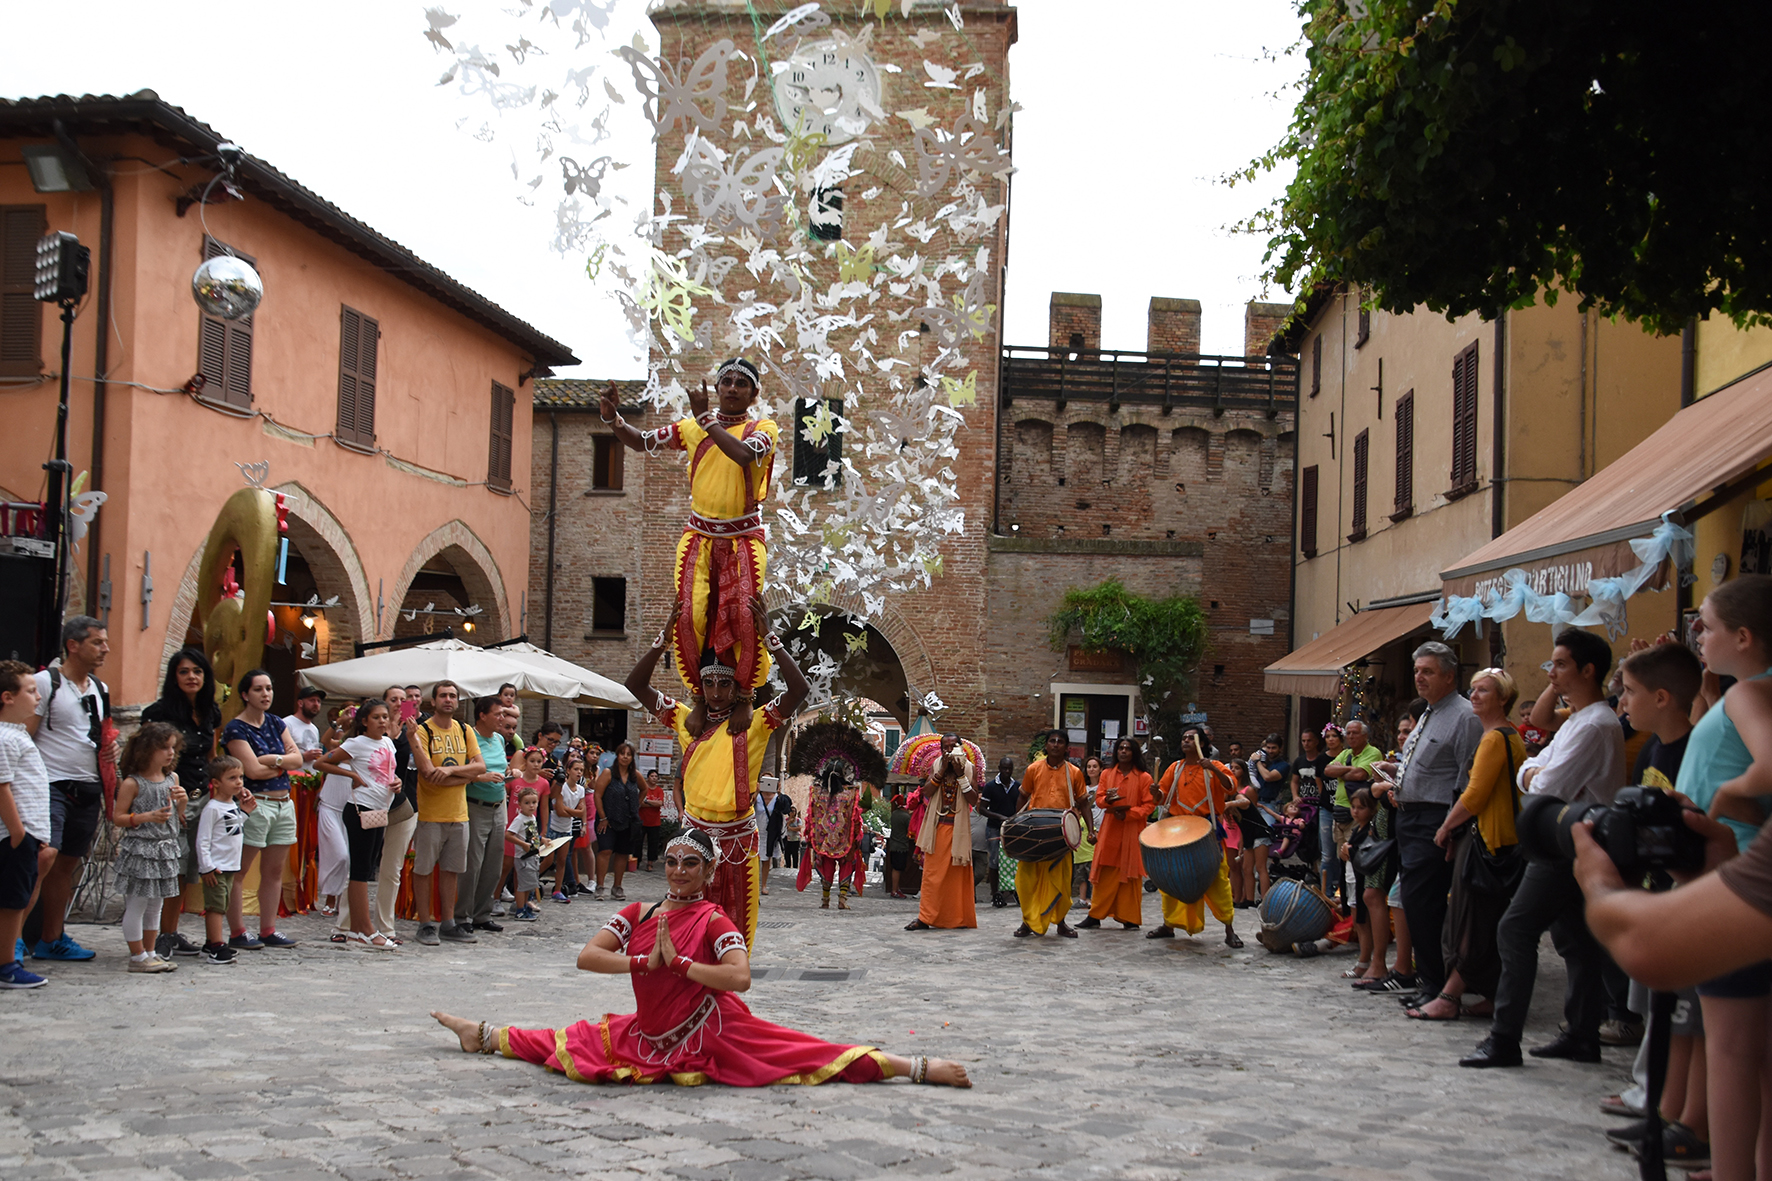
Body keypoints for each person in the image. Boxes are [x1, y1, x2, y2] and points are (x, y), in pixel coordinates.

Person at [431, 826, 971, 1087]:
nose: (680, 870)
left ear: (710, 872)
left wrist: (684, 966)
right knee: (559, 1041)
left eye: (692, 863)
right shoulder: (641, 914)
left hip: (713, 1030)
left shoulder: (713, 919)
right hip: (648, 1032)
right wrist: (647, 964)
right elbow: (587, 958)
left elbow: (739, 980)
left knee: (806, 1053)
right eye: (672, 861)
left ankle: (917, 1066)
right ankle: (480, 1034)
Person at [1461, 628, 1625, 1069]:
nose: (1551, 672)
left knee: (1515, 930)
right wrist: (1534, 771)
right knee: (1576, 940)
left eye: (1560, 664)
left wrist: (1533, 773)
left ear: (1587, 671)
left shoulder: (1595, 724)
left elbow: (1547, 783)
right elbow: (1538, 755)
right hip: (1565, 839)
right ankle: (1582, 1032)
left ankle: (1504, 1038)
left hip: (1568, 841)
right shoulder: (1580, 719)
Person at [600, 364, 779, 733]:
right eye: (726, 382)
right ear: (716, 388)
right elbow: (642, 441)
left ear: (754, 394)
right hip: (698, 536)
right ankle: (699, 697)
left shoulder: (762, 429)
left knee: (745, 617)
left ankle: (745, 697)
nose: (732, 388)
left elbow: (744, 455)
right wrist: (614, 420)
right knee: (690, 617)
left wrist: (706, 420)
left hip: (743, 538)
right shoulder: (694, 427)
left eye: (741, 384)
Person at [624, 603, 809, 952]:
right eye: (708, 683)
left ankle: (725, 992)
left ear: (737, 687)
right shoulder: (685, 720)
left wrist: (770, 638)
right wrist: (663, 640)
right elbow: (635, 684)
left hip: (738, 841)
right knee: (687, 923)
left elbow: (798, 692)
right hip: (695, 837)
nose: (716, 691)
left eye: (724, 683)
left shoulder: (753, 723)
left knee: (735, 929)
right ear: (700, 685)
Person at [1598, 640, 1706, 1166]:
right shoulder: (1654, 747)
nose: (1622, 701)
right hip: (1657, 889)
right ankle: (1663, 1105)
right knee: (1665, 1011)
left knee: (1684, 1017)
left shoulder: (1690, 748)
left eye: (1630, 692)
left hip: (1686, 893)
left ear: (1662, 697)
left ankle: (1678, 1118)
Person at [1405, 668, 1524, 1017]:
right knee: (1484, 919)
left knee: (1470, 921)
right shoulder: (1502, 735)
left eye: (1483, 691)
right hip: (1495, 837)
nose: (1474, 696)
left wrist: (1445, 828)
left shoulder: (1494, 738)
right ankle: (1489, 992)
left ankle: (1450, 996)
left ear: (1503, 698)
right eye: (1472, 690)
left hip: (1490, 838)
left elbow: (1474, 795)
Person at [1381, 642, 1483, 1011]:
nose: (1419, 677)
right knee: (1415, 901)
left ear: (1449, 676)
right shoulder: (1428, 712)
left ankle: (1438, 983)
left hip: (1435, 819)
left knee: (1424, 903)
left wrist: (1453, 828)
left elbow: (1466, 777)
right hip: (1410, 815)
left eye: (1428, 671)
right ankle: (1429, 978)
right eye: (1417, 671)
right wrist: (1398, 779)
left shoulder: (1464, 716)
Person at [24, 616, 113, 963]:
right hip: (50, 784)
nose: (105, 648)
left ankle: (51, 938)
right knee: (41, 859)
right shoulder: (45, 683)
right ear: (73, 645)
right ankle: (13, 941)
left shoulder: (99, 689)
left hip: (87, 786)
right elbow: (25, 734)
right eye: (97, 642)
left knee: (66, 866)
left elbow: (99, 735)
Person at [142, 648, 221, 959]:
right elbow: (146, 761)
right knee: (169, 866)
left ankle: (171, 932)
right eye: (184, 671)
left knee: (188, 867)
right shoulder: (158, 713)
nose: (191, 677)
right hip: (171, 798)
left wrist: (226, 789)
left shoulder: (210, 711)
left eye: (197, 671)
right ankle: (157, 933)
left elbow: (211, 756)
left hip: (202, 797)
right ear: (174, 677)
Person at [222, 669, 302, 950]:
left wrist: (271, 759)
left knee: (274, 871)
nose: (265, 694)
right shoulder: (235, 729)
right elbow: (251, 770)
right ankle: (238, 931)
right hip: (255, 803)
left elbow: (298, 759)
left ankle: (268, 929)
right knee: (239, 870)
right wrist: (281, 762)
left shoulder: (277, 722)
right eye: (259, 689)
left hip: (283, 804)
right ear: (245, 694)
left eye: (268, 688)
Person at [313, 699, 400, 950]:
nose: (382, 721)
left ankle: (355, 930)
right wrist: (351, 774)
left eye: (385, 716)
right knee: (361, 872)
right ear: (364, 721)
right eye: (376, 717)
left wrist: (397, 783)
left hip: (380, 809)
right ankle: (366, 929)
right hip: (360, 809)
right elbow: (322, 763)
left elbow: (387, 773)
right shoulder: (356, 744)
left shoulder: (388, 743)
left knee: (367, 869)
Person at [409, 680, 486, 947]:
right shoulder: (422, 731)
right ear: (434, 701)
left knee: (452, 870)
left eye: (453, 696)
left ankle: (448, 923)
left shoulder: (464, 730)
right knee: (424, 869)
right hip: (431, 813)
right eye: (443, 696)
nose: (448, 700)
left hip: (459, 813)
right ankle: (424, 923)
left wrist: (453, 772)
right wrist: (466, 776)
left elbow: (480, 766)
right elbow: (428, 773)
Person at [1150, 727, 1244, 948]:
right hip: (1177, 830)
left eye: (1190, 739)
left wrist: (1213, 768)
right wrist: (1156, 793)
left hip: (1206, 830)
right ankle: (1168, 924)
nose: (1185, 742)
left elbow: (1231, 787)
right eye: (1183, 738)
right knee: (1170, 878)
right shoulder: (1175, 768)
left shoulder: (1216, 767)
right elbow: (1162, 797)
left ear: (1202, 744)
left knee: (1217, 879)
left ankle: (1229, 928)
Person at [113, 722, 187, 974]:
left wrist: (183, 802)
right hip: (142, 849)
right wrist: (145, 817)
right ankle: (137, 955)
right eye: (163, 747)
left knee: (156, 904)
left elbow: (177, 816)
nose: (169, 753)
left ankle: (151, 951)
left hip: (164, 849)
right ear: (147, 750)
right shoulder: (133, 783)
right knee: (137, 904)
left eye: (172, 748)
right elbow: (118, 817)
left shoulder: (172, 778)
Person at [0, 663, 51, 988]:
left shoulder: (17, 735)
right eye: (30, 691)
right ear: (7, 697)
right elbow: (2, 786)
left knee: (17, 899)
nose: (38, 696)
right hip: (14, 836)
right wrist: (19, 832)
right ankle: (7, 965)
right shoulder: (5, 738)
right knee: (11, 902)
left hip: (28, 834)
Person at [1013, 730, 1092, 939]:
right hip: (1035, 832)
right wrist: (1015, 823)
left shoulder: (1074, 772)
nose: (1056, 745)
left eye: (1060, 742)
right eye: (1052, 741)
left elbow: (1083, 803)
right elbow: (1023, 796)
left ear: (1066, 747)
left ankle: (1061, 923)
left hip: (1061, 835)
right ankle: (1027, 922)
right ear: (1046, 745)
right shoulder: (1033, 769)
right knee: (1028, 880)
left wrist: (1091, 831)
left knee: (1061, 881)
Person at [1078, 738, 1154, 930]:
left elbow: (1149, 806)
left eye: (1128, 748)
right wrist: (1110, 802)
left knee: (1130, 875)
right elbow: (1100, 799)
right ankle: (1095, 915)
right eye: (1121, 748)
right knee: (1105, 874)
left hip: (1132, 831)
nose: (1124, 751)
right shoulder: (1107, 774)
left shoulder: (1144, 778)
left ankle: (1130, 918)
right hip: (1110, 830)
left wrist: (1129, 814)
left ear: (1134, 752)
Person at [453, 696, 512, 935]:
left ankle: (482, 913)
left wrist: (510, 772)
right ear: (482, 715)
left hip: (499, 805)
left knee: (493, 865)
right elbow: (457, 772)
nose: (502, 718)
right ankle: (462, 915)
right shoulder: (469, 738)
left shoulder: (498, 739)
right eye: (497, 714)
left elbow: (500, 767)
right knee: (472, 864)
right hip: (475, 805)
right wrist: (480, 777)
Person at [906, 752, 980, 930]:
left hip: (959, 830)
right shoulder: (935, 766)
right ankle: (925, 917)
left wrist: (960, 774)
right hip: (937, 829)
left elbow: (973, 799)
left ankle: (959, 918)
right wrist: (940, 772)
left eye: (953, 746)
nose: (949, 751)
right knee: (932, 876)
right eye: (945, 747)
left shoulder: (970, 769)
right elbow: (927, 792)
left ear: (960, 750)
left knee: (957, 877)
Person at [195, 756, 255, 965]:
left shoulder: (231, 805)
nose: (239, 782)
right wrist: (207, 867)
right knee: (216, 907)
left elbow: (231, 830)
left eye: (240, 777)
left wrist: (245, 812)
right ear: (217, 783)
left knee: (223, 903)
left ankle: (210, 942)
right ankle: (217, 946)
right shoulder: (212, 808)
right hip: (217, 867)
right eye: (232, 778)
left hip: (231, 866)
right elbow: (203, 840)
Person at [376, 686, 420, 944]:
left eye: (404, 700)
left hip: (403, 805)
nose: (399, 704)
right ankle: (349, 922)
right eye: (394, 700)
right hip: (372, 804)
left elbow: (420, 763)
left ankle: (386, 926)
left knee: (392, 867)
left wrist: (412, 737)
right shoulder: (374, 729)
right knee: (359, 863)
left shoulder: (411, 730)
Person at [1323, 720, 1382, 906]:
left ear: (1365, 735)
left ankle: (1357, 903)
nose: (1350, 737)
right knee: (1343, 858)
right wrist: (1349, 769)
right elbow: (1327, 770)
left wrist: (1341, 771)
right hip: (1338, 814)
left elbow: (1361, 775)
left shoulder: (1373, 752)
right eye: (1348, 733)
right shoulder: (1346, 753)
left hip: (1358, 816)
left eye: (1355, 733)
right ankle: (1346, 901)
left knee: (1355, 860)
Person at [797, 765, 864, 910]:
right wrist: (856, 839)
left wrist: (810, 837)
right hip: (845, 840)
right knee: (846, 866)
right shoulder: (850, 794)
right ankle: (842, 900)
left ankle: (825, 900)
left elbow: (811, 817)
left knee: (826, 868)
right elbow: (856, 819)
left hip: (824, 840)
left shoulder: (818, 794)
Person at [595, 742, 645, 902]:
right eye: (622, 753)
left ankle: (617, 886)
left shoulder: (635, 775)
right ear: (617, 755)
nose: (625, 757)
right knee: (605, 851)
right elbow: (597, 794)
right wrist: (602, 817)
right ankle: (600, 886)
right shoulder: (609, 773)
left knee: (623, 853)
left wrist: (636, 804)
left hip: (627, 819)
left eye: (628, 754)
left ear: (632, 758)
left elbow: (644, 789)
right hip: (608, 819)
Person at [979, 757, 1019, 909]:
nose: (1006, 772)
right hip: (995, 827)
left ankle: (1014, 890)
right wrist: (1000, 817)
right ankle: (995, 892)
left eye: (1009, 769)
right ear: (999, 768)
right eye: (1004, 768)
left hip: (1011, 828)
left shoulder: (1017, 787)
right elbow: (982, 809)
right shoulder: (991, 787)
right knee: (994, 860)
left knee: (1014, 859)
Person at [506, 787, 545, 922]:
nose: (531, 806)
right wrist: (522, 844)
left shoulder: (532, 818)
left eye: (534, 802)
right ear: (520, 804)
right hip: (523, 857)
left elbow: (531, 835)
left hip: (533, 856)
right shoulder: (520, 819)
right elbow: (508, 835)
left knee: (529, 884)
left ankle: (526, 905)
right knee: (522, 885)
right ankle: (520, 909)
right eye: (527, 803)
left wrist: (542, 840)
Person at [755, 776, 790, 896]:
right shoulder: (757, 797)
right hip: (756, 831)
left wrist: (779, 793)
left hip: (770, 833)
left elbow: (786, 809)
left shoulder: (778, 798)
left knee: (766, 859)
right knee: (755, 859)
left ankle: (763, 885)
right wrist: (755, 792)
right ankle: (753, 884)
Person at [639, 770, 666, 872]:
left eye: (656, 776)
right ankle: (637, 861)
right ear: (648, 778)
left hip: (654, 822)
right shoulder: (644, 789)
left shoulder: (659, 790)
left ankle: (650, 863)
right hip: (642, 820)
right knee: (638, 842)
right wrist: (652, 803)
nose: (654, 778)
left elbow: (660, 803)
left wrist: (647, 802)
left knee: (653, 844)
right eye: (652, 776)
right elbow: (640, 803)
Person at [885, 795, 911, 898]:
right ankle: (894, 890)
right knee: (897, 868)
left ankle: (896, 888)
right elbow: (910, 830)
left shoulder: (894, 814)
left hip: (893, 844)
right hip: (901, 845)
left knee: (895, 868)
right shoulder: (906, 817)